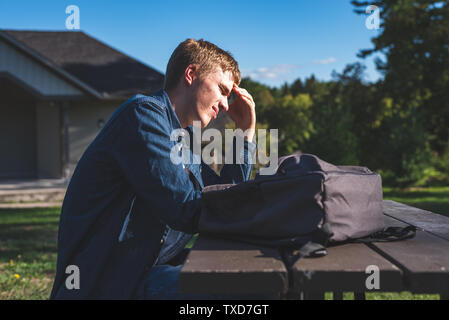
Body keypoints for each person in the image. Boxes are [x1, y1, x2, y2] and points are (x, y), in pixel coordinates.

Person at [50, 38, 259, 299]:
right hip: (107, 282)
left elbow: (225, 199)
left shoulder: (183, 138)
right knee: (248, 289)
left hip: (145, 268)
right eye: (222, 89)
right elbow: (186, 209)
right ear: (191, 74)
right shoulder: (143, 116)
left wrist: (244, 133)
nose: (226, 105)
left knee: (255, 276)